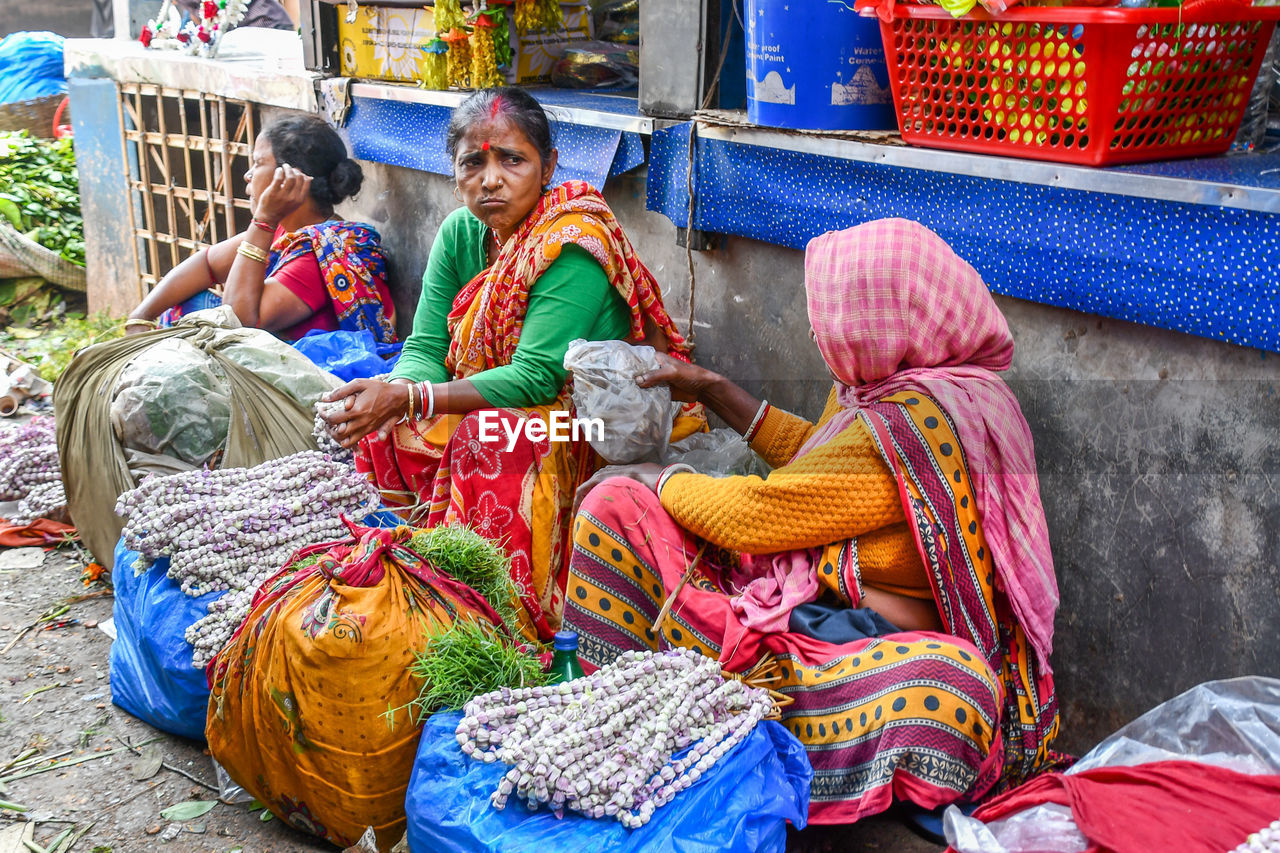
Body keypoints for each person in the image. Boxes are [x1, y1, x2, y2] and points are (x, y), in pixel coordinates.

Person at [564, 218, 1062, 824]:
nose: (815, 329)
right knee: (615, 506)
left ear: (883, 318)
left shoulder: (906, 424)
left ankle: (693, 719)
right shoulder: (900, 392)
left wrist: (661, 477)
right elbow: (817, 462)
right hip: (819, 609)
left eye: (832, 314)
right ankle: (674, 704)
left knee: (952, 693)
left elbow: (759, 516)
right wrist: (711, 388)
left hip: (866, 641)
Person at [321, 87, 701, 642]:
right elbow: (426, 348)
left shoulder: (571, 241)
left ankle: (507, 616)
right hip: (504, 399)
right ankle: (413, 583)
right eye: (473, 162)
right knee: (385, 427)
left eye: (512, 160)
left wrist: (410, 398)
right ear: (453, 171)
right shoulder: (461, 233)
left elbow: (536, 378)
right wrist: (397, 391)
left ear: (547, 166)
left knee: (489, 436)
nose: (491, 179)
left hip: (592, 422)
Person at [126, 114, 396, 345]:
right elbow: (205, 265)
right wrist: (140, 317)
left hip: (304, 386)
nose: (248, 174)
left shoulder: (319, 253)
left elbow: (236, 322)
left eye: (257, 163)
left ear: (288, 179)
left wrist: (264, 220)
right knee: (183, 302)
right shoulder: (287, 231)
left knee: (192, 318)